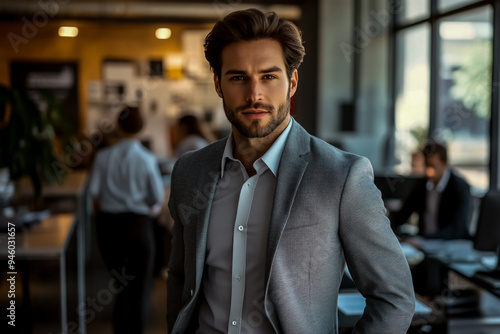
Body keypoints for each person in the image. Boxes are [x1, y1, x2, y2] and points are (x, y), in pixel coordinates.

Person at [167, 8, 415, 334]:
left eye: (269, 77)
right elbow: (181, 277)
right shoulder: (190, 170)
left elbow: (393, 297)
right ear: (218, 84)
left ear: (292, 82)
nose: (254, 94)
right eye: (238, 77)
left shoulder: (342, 177)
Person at [88, 106, 165, 334]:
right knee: (140, 288)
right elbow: (156, 199)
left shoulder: (102, 157)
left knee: (122, 285)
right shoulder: (147, 158)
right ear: (141, 127)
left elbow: (94, 195)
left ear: (118, 126)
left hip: (108, 227)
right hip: (138, 226)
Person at [391, 140, 471, 240]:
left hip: (452, 243)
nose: (429, 171)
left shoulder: (459, 187)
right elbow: (403, 214)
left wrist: (424, 239)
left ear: (444, 163)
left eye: (433, 166)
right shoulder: (422, 184)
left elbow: (457, 228)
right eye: (427, 165)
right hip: (425, 243)